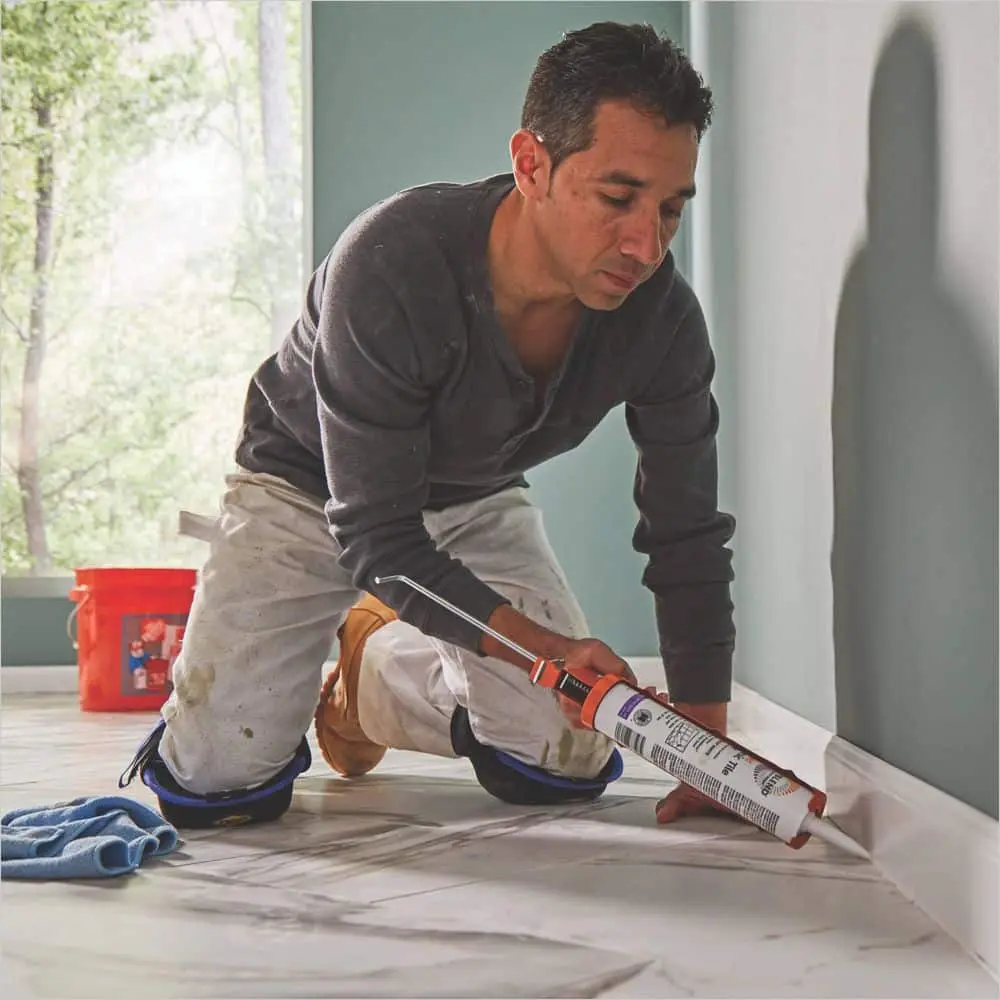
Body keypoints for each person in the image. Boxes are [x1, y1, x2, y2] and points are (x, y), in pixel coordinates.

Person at [120, 20, 736, 830]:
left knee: (561, 761)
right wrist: (546, 652)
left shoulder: (663, 321)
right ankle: (279, 693)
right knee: (215, 785)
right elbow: (378, 537)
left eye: (670, 210)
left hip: (470, 495)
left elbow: (685, 534)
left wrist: (708, 752)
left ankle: (372, 671)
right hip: (310, 486)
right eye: (618, 199)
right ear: (532, 165)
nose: (646, 246)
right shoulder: (390, 262)